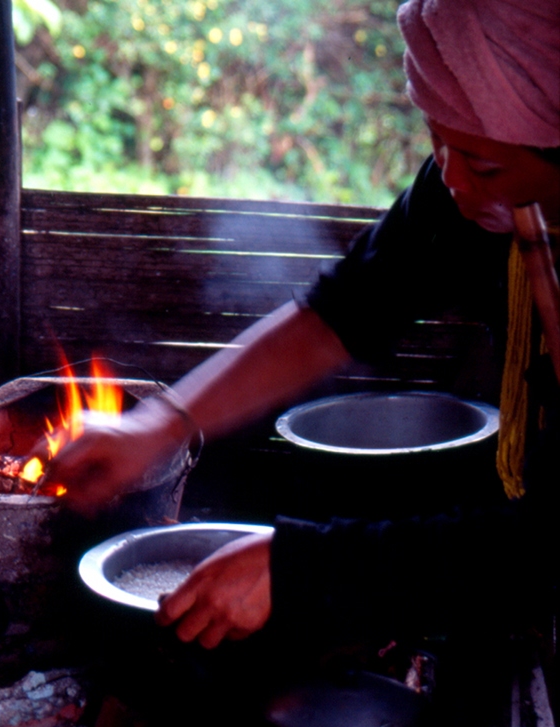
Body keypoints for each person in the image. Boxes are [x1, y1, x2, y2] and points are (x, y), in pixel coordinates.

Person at [42, 0, 559, 718]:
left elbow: (543, 547)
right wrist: (160, 425)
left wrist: (302, 568)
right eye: (437, 142)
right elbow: (338, 313)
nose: (454, 181)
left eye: (485, 164)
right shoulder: (467, 197)